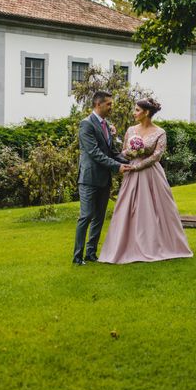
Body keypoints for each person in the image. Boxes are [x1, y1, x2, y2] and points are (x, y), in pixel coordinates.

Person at [99, 97, 193, 264]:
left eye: (137, 110)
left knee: (157, 209)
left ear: (146, 112)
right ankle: (126, 245)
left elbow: (157, 156)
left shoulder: (160, 132)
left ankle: (159, 244)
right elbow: (123, 152)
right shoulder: (131, 130)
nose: (134, 113)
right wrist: (131, 153)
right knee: (128, 208)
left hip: (151, 174)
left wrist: (138, 166)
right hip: (131, 173)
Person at [73, 91, 131, 266]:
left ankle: (91, 254)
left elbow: (112, 152)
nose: (111, 107)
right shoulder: (86, 125)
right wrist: (117, 167)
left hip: (104, 179)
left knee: (99, 217)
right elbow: (94, 153)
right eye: (109, 104)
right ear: (98, 104)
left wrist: (132, 160)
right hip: (89, 179)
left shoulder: (106, 125)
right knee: (86, 216)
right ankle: (77, 257)